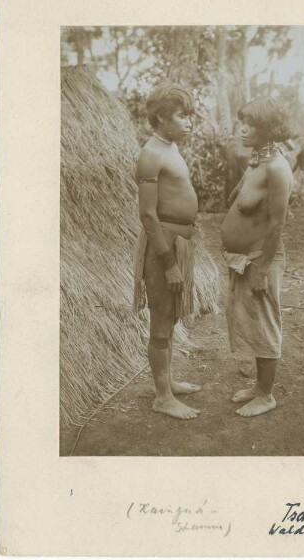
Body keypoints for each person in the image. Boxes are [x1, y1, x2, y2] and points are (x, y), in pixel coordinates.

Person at [221, 97, 293, 417]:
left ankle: (266, 395)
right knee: (251, 322)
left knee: (264, 323)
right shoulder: (256, 160)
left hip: (263, 256)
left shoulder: (277, 168)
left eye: (250, 124)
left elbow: (278, 222)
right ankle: (258, 386)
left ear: (267, 130)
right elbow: (238, 198)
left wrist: (263, 266)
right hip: (244, 256)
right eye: (242, 122)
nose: (243, 128)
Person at [133, 83, 201, 420]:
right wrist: (169, 263)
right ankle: (162, 397)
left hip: (180, 241)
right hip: (165, 247)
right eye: (182, 116)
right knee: (161, 320)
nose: (189, 122)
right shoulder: (151, 154)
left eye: (189, 116)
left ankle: (168, 383)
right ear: (161, 117)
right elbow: (148, 214)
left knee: (170, 316)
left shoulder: (170, 147)